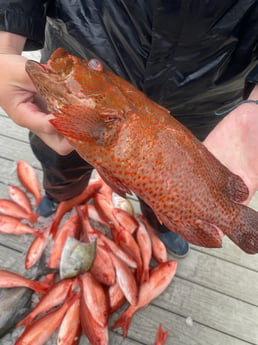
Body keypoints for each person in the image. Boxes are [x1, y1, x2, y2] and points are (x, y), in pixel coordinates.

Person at [0, 1, 257, 258]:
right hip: (82, 39)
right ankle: (60, 194)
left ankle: (163, 224)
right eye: (93, 71)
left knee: (174, 185)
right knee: (58, 157)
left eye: (93, 71)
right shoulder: (77, 95)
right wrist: (5, 45)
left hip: (206, 97)